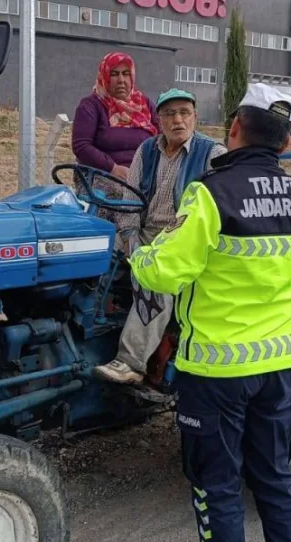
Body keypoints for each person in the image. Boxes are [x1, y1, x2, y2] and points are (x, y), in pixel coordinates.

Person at [128, 83, 291, 542]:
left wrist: (138, 256)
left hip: (216, 370)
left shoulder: (211, 195)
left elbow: (167, 271)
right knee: (274, 476)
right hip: (277, 364)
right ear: (285, 138)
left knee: (215, 483)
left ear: (235, 128)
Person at [93, 88, 227, 386]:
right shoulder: (147, 150)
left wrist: (164, 246)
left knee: (156, 277)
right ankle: (89, 324)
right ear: (159, 120)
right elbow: (129, 198)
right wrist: (129, 237)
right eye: (169, 114)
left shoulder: (213, 154)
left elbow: (213, 209)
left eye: (184, 113)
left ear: (195, 117)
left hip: (182, 236)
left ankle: (131, 362)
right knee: (93, 252)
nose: (177, 120)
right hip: (143, 230)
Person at [71, 52, 159, 229]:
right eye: (114, 74)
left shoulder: (145, 105)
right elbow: (81, 146)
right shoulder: (91, 106)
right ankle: (119, 247)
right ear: (104, 76)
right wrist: (113, 168)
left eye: (126, 74)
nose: (121, 80)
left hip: (143, 175)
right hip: (101, 175)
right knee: (121, 200)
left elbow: (162, 139)